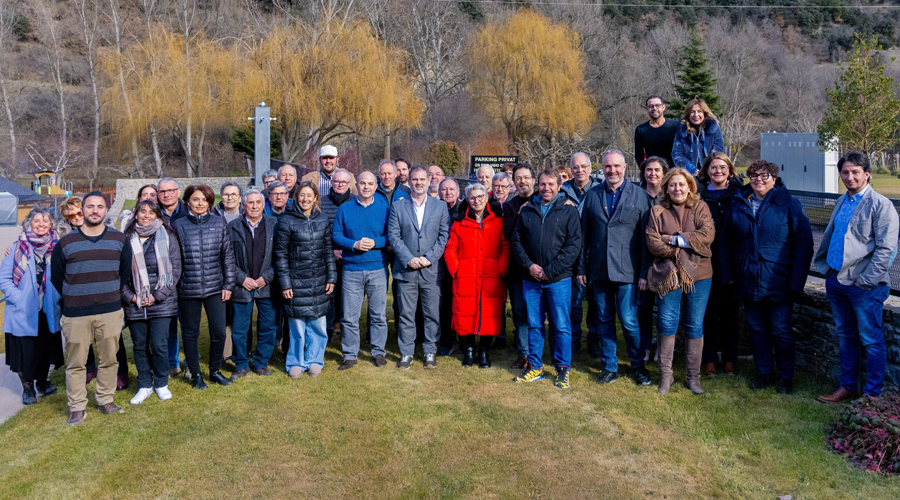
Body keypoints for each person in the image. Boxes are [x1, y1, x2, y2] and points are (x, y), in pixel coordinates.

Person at [721, 160, 813, 395]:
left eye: (764, 176)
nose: (758, 180)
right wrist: (728, 274)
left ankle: (785, 377)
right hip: (747, 279)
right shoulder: (739, 202)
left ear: (775, 178)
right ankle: (764, 373)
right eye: (753, 176)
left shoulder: (789, 204)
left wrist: (796, 283)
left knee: (781, 329)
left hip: (778, 280)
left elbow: (804, 246)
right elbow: (726, 242)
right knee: (757, 329)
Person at [815, 152, 900, 403]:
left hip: (865, 287)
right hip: (836, 281)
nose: (849, 177)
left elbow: (887, 249)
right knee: (846, 336)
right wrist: (829, 271)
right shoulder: (843, 201)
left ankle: (872, 396)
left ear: (867, 173)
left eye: (855, 172)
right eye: (845, 172)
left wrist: (866, 280)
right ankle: (847, 387)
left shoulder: (881, 205)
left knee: (871, 340)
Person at [50, 192, 132, 426]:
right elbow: (57, 278)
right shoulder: (65, 243)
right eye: (90, 206)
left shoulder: (119, 239)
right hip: (76, 313)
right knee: (75, 363)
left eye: (99, 206)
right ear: (82, 211)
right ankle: (77, 407)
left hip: (109, 311)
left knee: (109, 360)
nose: (94, 210)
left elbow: (124, 274)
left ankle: (106, 399)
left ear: (106, 211)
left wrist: (109, 295)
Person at [577, 150, 653, 386]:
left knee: (629, 320)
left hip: (628, 271)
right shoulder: (593, 195)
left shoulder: (639, 196)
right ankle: (609, 366)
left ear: (625, 166)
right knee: (604, 319)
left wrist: (643, 273)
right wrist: (581, 268)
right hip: (598, 269)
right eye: (608, 167)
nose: (612, 170)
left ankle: (638, 365)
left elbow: (645, 240)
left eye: (616, 166)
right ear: (602, 168)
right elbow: (584, 236)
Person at [645, 168, 716, 395]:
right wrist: (686, 245)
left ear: (690, 187)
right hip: (667, 275)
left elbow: (707, 235)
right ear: (666, 187)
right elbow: (653, 243)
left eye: (682, 184)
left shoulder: (701, 207)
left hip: (699, 275)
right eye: (673, 185)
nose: (677, 189)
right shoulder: (657, 211)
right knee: (667, 323)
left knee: (694, 325)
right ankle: (666, 377)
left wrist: (674, 239)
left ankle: (693, 377)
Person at [512, 170, 582, 389]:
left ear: (559, 185)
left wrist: (549, 271)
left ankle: (563, 368)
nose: (546, 188)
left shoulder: (569, 211)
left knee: (561, 325)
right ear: (537, 185)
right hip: (531, 279)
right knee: (534, 324)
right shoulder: (527, 210)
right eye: (542, 184)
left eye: (551, 184)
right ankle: (535, 367)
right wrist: (530, 266)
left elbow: (573, 246)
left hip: (558, 279)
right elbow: (516, 241)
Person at [172, 185, 237, 389]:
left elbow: (227, 256)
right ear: (188, 202)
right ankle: (196, 375)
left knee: (219, 332)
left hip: (215, 288)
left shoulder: (219, 223)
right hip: (187, 289)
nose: (200, 203)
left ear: (209, 202)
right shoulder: (178, 225)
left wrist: (228, 283)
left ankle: (215, 371)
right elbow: (175, 260)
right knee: (190, 334)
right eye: (195, 199)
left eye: (204, 200)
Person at [388, 166, 450, 370]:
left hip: (431, 270)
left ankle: (429, 351)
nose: (419, 183)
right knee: (406, 314)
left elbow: (443, 237)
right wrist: (409, 258)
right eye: (415, 179)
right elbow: (394, 237)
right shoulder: (398, 207)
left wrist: (428, 258)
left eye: (422, 179)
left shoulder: (440, 207)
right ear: (410, 181)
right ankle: (406, 353)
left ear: (428, 180)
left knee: (431, 313)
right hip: (406, 270)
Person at [121, 200, 182, 404]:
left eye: (151, 212)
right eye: (142, 212)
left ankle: (161, 383)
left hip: (161, 302)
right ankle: (145, 385)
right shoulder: (126, 239)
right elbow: (119, 274)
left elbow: (175, 270)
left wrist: (157, 295)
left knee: (159, 345)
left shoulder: (168, 236)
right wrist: (132, 296)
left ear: (158, 215)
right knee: (139, 346)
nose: (146, 215)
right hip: (135, 303)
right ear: (135, 214)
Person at [1, 208, 63, 406]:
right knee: (24, 351)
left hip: (47, 309)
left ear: (51, 225)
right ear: (29, 223)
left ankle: (43, 382)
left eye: (45, 221)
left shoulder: (57, 248)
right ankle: (27, 389)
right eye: (37, 221)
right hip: (22, 311)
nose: (41, 224)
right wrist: (19, 298)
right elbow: (4, 280)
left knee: (44, 348)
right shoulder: (17, 248)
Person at [444, 183, 510, 368]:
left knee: (489, 314)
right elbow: (450, 248)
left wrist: (501, 268)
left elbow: (505, 247)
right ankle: (469, 350)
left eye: (480, 196)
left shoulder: (497, 220)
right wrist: (456, 270)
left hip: (491, 276)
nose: (477, 200)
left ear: (486, 197)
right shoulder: (460, 222)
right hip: (466, 276)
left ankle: (484, 352)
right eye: (472, 197)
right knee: (465, 314)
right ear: (467, 199)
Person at [275, 181, 336, 378]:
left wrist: (331, 277)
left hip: (319, 280)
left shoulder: (323, 220)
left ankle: (315, 360)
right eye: (302, 195)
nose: (305, 199)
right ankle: (295, 361)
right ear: (296, 198)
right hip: (295, 281)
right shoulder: (286, 221)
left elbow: (328, 251)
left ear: (316, 198)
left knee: (318, 324)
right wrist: (285, 283)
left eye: (309, 195)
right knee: (297, 326)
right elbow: (280, 255)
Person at [333, 171, 390, 370]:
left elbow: (390, 236)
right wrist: (353, 244)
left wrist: (375, 242)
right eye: (362, 183)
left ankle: (378, 352)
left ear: (376, 186)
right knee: (349, 316)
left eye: (370, 183)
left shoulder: (384, 209)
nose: (366, 187)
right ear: (356, 185)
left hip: (377, 268)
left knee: (378, 315)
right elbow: (336, 236)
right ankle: (349, 354)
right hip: (351, 269)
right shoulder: (344, 209)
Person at [696, 152, 742, 376]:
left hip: (732, 262)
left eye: (723, 167)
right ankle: (710, 359)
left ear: (730, 170)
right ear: (707, 170)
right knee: (708, 314)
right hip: (706, 261)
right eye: (713, 167)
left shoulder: (740, 194)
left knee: (731, 315)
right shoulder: (699, 195)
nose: (718, 171)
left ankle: (730, 359)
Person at [228, 190, 279, 378]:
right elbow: (226, 259)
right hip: (242, 287)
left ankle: (261, 363)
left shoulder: (274, 225)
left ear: (263, 204)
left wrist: (267, 277)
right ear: (243, 205)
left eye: (258, 202)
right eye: (250, 202)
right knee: (239, 330)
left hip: (267, 285)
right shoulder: (232, 227)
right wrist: (242, 278)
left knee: (268, 328)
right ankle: (241, 364)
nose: (255, 206)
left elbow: (280, 256)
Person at [560, 152, 602, 358]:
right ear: (571, 169)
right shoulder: (563, 191)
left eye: (583, 166)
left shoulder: (600, 189)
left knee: (595, 300)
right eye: (575, 167)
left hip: (596, 250)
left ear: (590, 168)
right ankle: (574, 339)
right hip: (571, 251)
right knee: (573, 300)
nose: (580, 170)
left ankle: (594, 338)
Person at [503, 164, 537, 369]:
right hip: (518, 269)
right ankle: (523, 353)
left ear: (533, 179)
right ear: (513, 182)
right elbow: (507, 234)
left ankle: (538, 352)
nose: (523, 181)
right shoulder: (509, 206)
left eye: (526, 177)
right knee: (520, 312)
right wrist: (520, 214)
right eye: (518, 178)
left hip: (540, 266)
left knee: (539, 312)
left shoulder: (544, 198)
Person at [636, 156, 669, 362]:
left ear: (664, 173)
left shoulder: (670, 197)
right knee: (643, 307)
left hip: (663, 260)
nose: (653, 174)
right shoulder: (636, 195)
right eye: (649, 170)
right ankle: (645, 346)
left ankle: (663, 349)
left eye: (657, 170)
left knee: (665, 309)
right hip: (640, 258)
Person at [319, 168, 355, 338]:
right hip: (328, 256)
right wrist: (331, 251)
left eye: (343, 182)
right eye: (336, 182)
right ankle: (330, 327)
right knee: (330, 294)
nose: (340, 185)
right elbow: (320, 231)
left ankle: (344, 326)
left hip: (351, 255)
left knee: (348, 294)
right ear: (331, 183)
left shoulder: (355, 202)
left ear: (349, 184)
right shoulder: (322, 203)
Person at [437, 178, 462, 355]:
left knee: (459, 304)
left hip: (460, 264)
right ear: (439, 192)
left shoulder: (464, 209)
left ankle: (462, 340)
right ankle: (446, 340)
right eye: (444, 189)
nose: (448, 192)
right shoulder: (435, 209)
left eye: (452, 189)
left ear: (458, 192)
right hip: (439, 265)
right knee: (443, 305)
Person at [671, 98, 724, 174]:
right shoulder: (681, 131)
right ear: (688, 114)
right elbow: (677, 154)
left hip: (711, 173)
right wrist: (693, 170)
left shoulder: (714, 130)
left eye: (699, 111)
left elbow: (718, 151)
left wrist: (708, 169)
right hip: (688, 174)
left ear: (704, 113)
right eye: (692, 112)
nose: (696, 115)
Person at [634, 95, 678, 169]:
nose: (654, 108)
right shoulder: (641, 129)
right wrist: (644, 170)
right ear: (646, 109)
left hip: (673, 172)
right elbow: (639, 155)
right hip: (653, 173)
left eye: (657, 105)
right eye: (651, 106)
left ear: (663, 107)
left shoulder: (675, 126)